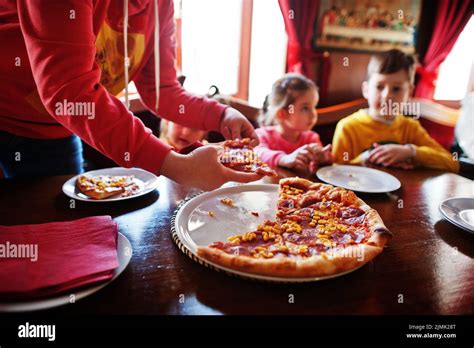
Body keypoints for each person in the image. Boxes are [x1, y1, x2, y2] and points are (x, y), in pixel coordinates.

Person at [0, 0, 260, 190]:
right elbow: (71, 92)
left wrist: (222, 114)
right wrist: (174, 165)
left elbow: (162, 90)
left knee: (59, 237)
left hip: (56, 130)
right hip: (8, 110)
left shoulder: (160, 6)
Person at [332, 49, 459, 173]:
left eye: (397, 89)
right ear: (366, 90)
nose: (387, 96)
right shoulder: (347, 128)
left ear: (409, 92)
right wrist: (366, 158)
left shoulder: (410, 128)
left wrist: (410, 152)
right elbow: (335, 171)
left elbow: (452, 163)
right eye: (379, 87)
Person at [255, 73, 332, 173]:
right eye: (305, 108)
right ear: (282, 114)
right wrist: (284, 159)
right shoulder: (263, 135)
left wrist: (323, 159)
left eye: (314, 107)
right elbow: (257, 154)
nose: (313, 114)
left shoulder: (311, 138)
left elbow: (315, 169)